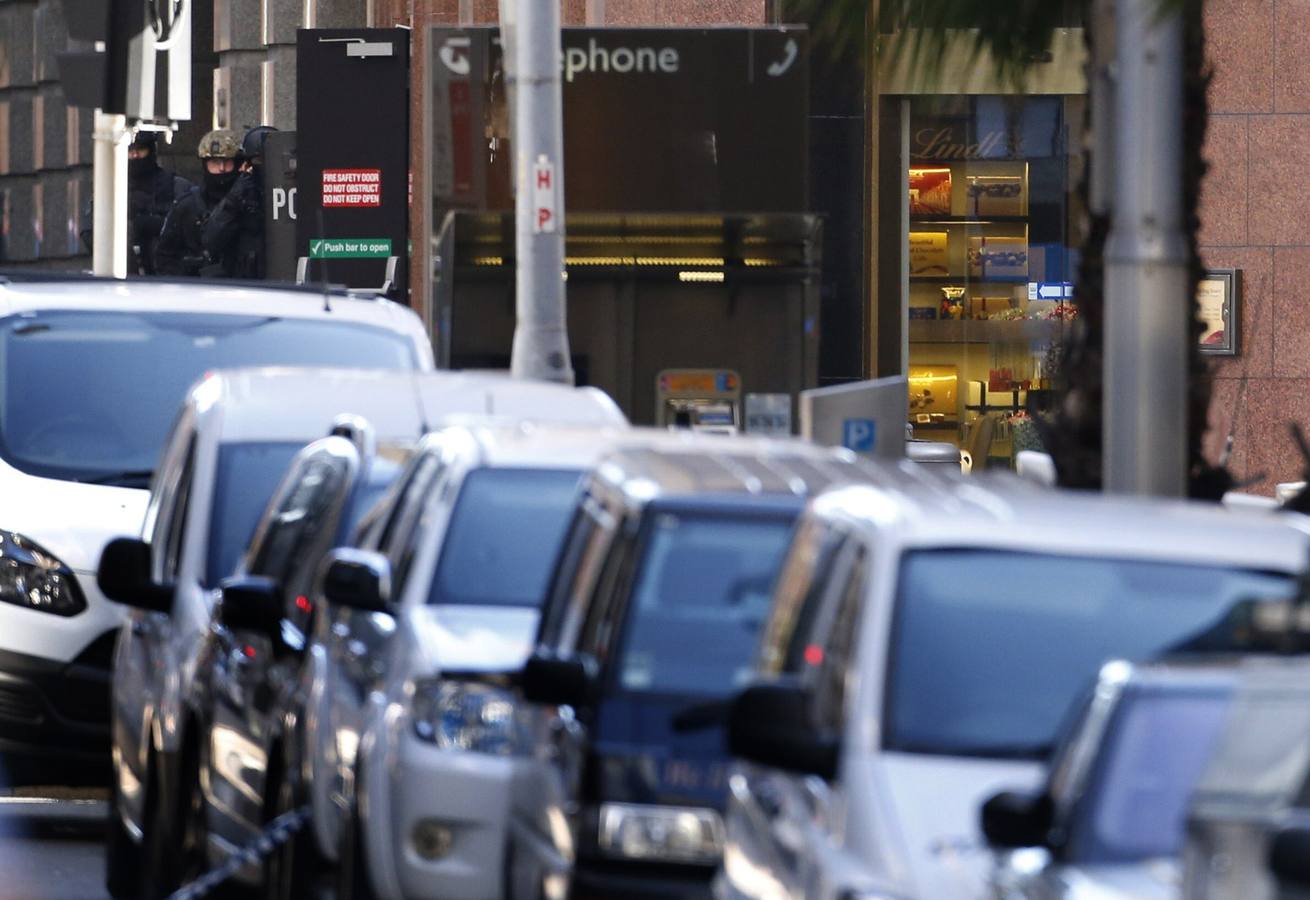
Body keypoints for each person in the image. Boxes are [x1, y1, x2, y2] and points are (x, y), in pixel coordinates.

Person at [80, 131, 194, 274]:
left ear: (151, 150)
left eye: (140, 150)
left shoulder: (176, 186)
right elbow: (89, 234)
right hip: (124, 274)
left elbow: (192, 233)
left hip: (167, 276)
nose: (134, 156)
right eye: (130, 151)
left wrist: (158, 225)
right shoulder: (109, 191)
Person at [155, 129, 242, 277]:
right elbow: (164, 257)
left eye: (227, 162)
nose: (221, 169)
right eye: (215, 163)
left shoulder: (246, 201)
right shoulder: (187, 206)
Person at [203, 125, 278, 279]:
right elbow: (211, 239)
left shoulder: (292, 192)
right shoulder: (241, 193)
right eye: (258, 160)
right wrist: (235, 198)